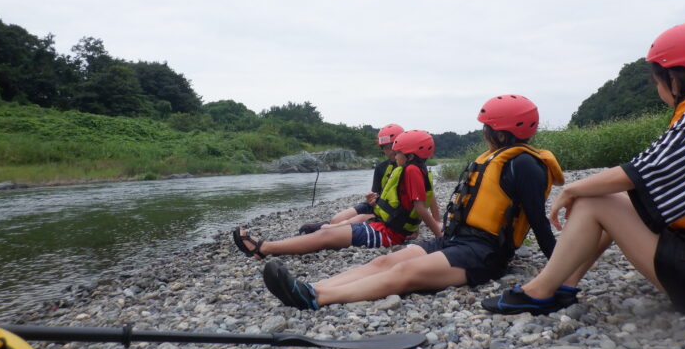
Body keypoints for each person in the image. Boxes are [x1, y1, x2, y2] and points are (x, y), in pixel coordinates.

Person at [483, 21, 685, 315]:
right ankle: (562, 283)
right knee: (616, 196)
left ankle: (539, 292)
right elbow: (650, 175)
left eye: (657, 81)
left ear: (675, 80)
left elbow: (643, 170)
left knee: (595, 200)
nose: (658, 89)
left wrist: (573, 189)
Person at [260, 95, 568, 311]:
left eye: (486, 127)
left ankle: (317, 298)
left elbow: (537, 220)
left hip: (484, 254)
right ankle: (310, 286)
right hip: (455, 240)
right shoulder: (494, 158)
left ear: (501, 134)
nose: (483, 131)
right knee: (383, 262)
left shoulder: (525, 165)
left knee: (404, 274)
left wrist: (558, 267)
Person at [233, 130, 441, 259]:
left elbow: (420, 208)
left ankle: (263, 248)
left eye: (398, 153)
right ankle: (267, 247)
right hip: (386, 227)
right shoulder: (416, 169)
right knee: (333, 230)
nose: (394, 156)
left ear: (411, 155)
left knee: (326, 236)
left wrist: (440, 237)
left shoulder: (412, 170)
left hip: (388, 234)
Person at [297, 124, 404, 234]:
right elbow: (376, 193)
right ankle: (329, 225)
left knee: (352, 222)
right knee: (336, 219)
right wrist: (371, 199)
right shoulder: (381, 168)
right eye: (385, 148)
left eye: (391, 146)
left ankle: (326, 229)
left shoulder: (409, 169)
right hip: (377, 205)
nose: (389, 151)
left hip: (390, 212)